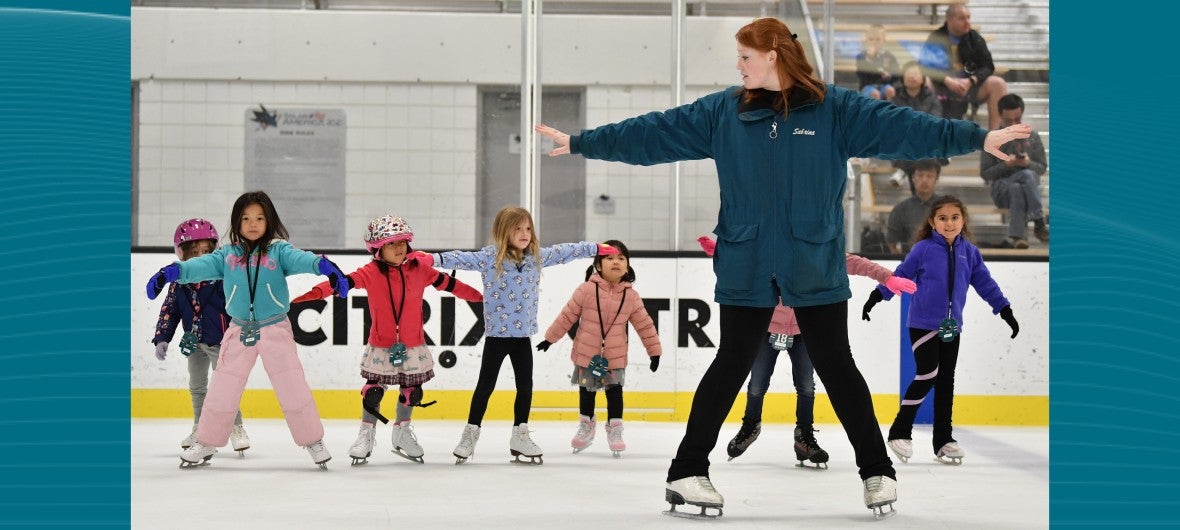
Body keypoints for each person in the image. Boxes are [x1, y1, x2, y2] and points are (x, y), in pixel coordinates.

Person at [534, 16, 1030, 519]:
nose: (738, 66)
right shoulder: (724, 112)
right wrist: (583, 142)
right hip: (747, 262)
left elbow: (904, 128)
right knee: (731, 364)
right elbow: (654, 133)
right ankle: (686, 472)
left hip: (814, 259)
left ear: (773, 55)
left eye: (745, 57)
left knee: (838, 366)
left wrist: (974, 136)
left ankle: (877, 471)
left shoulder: (835, 109)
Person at [145, 190, 351, 469]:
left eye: (259, 218)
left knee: (292, 386)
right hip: (239, 329)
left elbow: (303, 259)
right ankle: (206, 441)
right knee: (222, 388)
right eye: (245, 218)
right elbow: (201, 265)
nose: (252, 223)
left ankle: (312, 440)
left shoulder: (279, 251)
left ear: (269, 221)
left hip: (275, 327)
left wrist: (323, 266)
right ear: (236, 222)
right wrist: (173, 272)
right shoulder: (228, 255)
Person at [702, 238, 917, 469]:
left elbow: (856, 263)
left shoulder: (819, 253)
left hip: (804, 331)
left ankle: (804, 436)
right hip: (767, 329)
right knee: (756, 384)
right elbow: (744, 261)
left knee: (806, 385)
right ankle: (751, 425)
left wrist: (887, 277)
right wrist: (721, 252)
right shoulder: (770, 253)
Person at [430, 206, 619, 465]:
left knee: (525, 387)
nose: (524, 233)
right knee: (485, 387)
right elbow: (461, 258)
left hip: (522, 338)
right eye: (517, 228)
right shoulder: (490, 257)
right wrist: (433, 260)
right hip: (497, 337)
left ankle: (520, 433)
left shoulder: (535, 257)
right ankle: (470, 433)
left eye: (528, 228)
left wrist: (594, 249)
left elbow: (565, 252)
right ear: (503, 231)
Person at [291, 215, 484, 465]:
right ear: (378, 249)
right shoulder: (370, 272)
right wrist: (308, 296)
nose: (399, 247)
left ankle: (402, 432)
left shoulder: (420, 269)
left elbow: (451, 285)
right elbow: (341, 284)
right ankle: (366, 434)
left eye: (403, 242)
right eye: (392, 243)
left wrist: (482, 299)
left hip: (412, 345)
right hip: (381, 345)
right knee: (373, 392)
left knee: (411, 392)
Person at [861, 195, 1019, 465]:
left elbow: (985, 284)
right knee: (928, 373)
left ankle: (943, 440)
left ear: (963, 220)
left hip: (951, 327)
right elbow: (900, 275)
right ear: (933, 222)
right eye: (943, 218)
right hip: (922, 325)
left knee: (946, 381)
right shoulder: (923, 249)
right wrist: (877, 296)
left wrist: (1004, 309)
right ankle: (900, 430)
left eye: (955, 217)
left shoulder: (969, 252)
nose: (949, 223)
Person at [536, 239, 661, 457]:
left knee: (615, 393)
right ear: (598, 265)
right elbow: (568, 315)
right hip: (587, 354)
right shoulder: (586, 290)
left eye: (621, 258)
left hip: (615, 355)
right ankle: (586, 426)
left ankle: (615, 429)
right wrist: (550, 338)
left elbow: (645, 325)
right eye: (609, 258)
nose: (616, 262)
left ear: (627, 266)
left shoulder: (631, 296)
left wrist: (654, 351)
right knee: (586, 392)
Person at [151, 218, 250, 454]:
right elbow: (170, 310)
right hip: (194, 342)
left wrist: (243, 328)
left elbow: (241, 304)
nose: (201, 258)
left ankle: (236, 427)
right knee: (197, 386)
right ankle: (199, 427)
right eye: (194, 252)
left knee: (225, 387)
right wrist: (162, 337)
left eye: (206, 252)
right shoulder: (179, 282)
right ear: (181, 254)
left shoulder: (224, 279)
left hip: (221, 341)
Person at [920, 3, 1008, 130]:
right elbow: (925, 65)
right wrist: (947, 80)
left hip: (970, 86)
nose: (967, 22)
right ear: (949, 20)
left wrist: (971, 80)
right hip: (943, 86)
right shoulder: (936, 37)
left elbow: (988, 66)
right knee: (925, 82)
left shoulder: (974, 38)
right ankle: (928, 136)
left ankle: (994, 140)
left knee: (998, 83)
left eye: (968, 17)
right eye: (962, 18)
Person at [979, 94, 1048, 249]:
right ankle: (1039, 221)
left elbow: (1042, 167)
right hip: (1002, 190)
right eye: (1009, 121)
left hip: (1024, 190)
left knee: (1020, 184)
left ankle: (1017, 237)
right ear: (1001, 116)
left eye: (1017, 119)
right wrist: (1006, 165)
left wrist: (1028, 163)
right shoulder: (992, 139)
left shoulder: (1032, 137)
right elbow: (985, 174)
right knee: (1027, 176)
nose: (1014, 124)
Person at [887, 62, 944, 187]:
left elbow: (934, 121)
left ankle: (902, 170)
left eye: (916, 74)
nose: (912, 77)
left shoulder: (932, 99)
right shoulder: (895, 98)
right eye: (909, 74)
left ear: (923, 78)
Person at [887, 159, 944, 255]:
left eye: (929, 176)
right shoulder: (900, 209)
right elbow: (892, 243)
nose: (924, 180)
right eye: (920, 175)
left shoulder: (946, 208)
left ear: (936, 179)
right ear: (913, 177)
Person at [855, 24, 898, 101]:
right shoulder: (861, 56)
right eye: (871, 39)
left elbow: (896, 72)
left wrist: (889, 75)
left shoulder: (889, 56)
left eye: (878, 39)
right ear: (866, 40)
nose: (874, 42)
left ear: (884, 41)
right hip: (868, 86)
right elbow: (861, 74)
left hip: (885, 85)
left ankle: (889, 110)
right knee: (875, 94)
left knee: (890, 91)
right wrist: (869, 58)